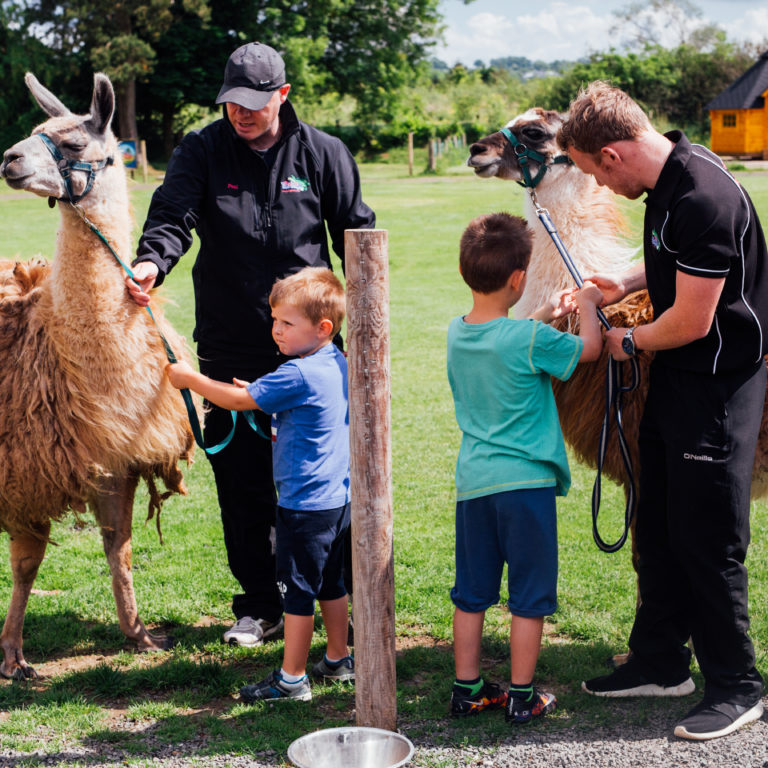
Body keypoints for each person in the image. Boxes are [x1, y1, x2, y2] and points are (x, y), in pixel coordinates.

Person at [127, 42, 375, 647]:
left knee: (321, 483)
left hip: (312, 355)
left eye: (255, 103)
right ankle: (261, 605)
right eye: (232, 102)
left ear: (282, 96)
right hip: (232, 346)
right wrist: (150, 262)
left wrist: (368, 328)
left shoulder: (323, 153)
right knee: (243, 486)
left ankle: (335, 607)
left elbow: (357, 236)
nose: (242, 113)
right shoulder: (202, 150)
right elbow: (172, 215)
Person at [557, 80, 768, 741]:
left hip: (718, 382)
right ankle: (658, 660)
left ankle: (737, 685)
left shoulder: (704, 196)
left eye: (594, 172)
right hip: (680, 380)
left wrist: (627, 340)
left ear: (614, 154)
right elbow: (671, 266)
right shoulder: (672, 179)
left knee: (707, 537)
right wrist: (620, 280)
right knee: (657, 520)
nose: (599, 184)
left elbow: (691, 319)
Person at [165, 267, 353, 702]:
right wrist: (261, 394)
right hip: (335, 500)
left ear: (322, 328)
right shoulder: (333, 362)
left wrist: (190, 379)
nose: (276, 331)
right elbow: (288, 399)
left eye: (287, 323)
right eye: (274, 320)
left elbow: (235, 400)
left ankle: (291, 679)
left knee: (296, 593)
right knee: (332, 583)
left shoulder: (295, 374)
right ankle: (339, 658)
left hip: (303, 506)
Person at [446, 212, 604, 723]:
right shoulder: (529, 342)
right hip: (527, 489)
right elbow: (590, 349)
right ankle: (521, 695)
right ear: (518, 278)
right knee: (528, 599)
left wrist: (538, 313)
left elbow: (505, 340)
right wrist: (583, 305)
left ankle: (467, 689)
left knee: (471, 595)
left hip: (474, 486)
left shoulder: (457, 333)